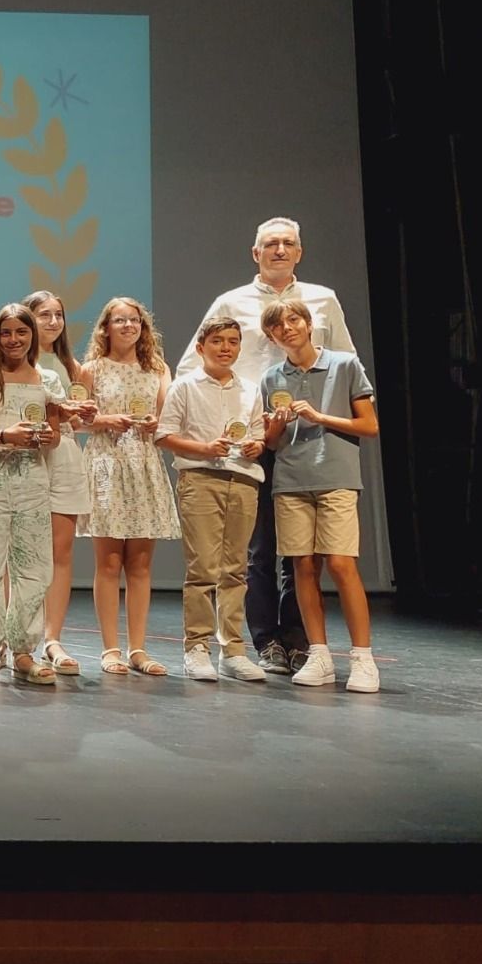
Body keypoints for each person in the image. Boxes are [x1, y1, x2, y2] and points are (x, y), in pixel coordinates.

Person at [177, 217, 356, 675]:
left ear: (300, 252)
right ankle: (262, 640)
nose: (279, 250)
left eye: (288, 244)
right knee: (256, 547)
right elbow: (187, 367)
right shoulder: (231, 302)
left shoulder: (323, 299)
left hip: (306, 435)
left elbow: (345, 365)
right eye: (270, 244)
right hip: (252, 439)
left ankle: (299, 641)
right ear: (255, 253)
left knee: (302, 550)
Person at [260, 299, 381, 692]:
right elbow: (272, 443)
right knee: (302, 569)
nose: (287, 329)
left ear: (308, 324)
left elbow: (369, 425)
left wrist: (320, 417)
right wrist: (276, 426)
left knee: (342, 564)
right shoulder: (271, 378)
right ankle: (319, 653)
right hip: (291, 480)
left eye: (293, 320)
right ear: (271, 337)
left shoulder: (344, 365)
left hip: (336, 478)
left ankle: (363, 658)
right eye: (277, 327)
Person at [155, 316, 270, 683]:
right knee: (203, 567)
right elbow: (163, 434)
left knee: (236, 568)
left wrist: (257, 445)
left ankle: (233, 649)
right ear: (201, 347)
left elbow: (258, 435)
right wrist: (203, 448)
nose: (226, 348)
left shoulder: (250, 389)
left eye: (233, 341)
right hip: (200, 478)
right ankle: (197, 647)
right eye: (218, 340)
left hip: (244, 480)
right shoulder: (185, 386)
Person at [77, 297, 181, 676]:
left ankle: (138, 648)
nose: (127, 326)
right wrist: (104, 420)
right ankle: (110, 649)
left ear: (143, 326)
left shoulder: (157, 368)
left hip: (143, 464)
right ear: (105, 327)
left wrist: (159, 424)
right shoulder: (92, 369)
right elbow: (76, 422)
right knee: (108, 561)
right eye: (119, 320)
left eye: (133, 320)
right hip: (107, 464)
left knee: (140, 564)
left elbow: (170, 414)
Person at [0, 304, 62, 685]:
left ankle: (22, 650)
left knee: (35, 567)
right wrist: (5, 435)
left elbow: (52, 435)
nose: (14, 339)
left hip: (32, 479)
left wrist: (43, 436)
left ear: (32, 336)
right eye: (7, 333)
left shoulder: (48, 380)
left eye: (22, 332)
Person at [23, 290, 96, 676]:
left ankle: (52, 638)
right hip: (26, 453)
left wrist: (85, 415)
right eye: (44, 315)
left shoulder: (74, 366)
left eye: (58, 315)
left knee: (60, 552)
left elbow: (79, 424)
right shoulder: (17, 360)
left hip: (64, 456)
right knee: (19, 550)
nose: (52, 322)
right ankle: (13, 635)